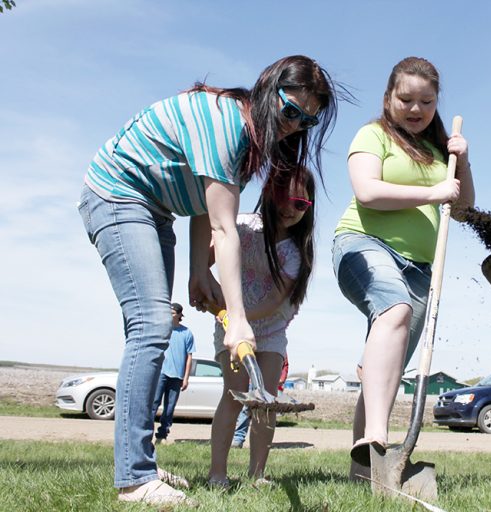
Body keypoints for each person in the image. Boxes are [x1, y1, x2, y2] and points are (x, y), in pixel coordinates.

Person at [78, 55, 340, 505]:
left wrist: (200, 271)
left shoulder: (247, 146)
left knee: (150, 329)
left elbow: (202, 208)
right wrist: (237, 318)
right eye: (290, 111)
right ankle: (134, 477)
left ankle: (137, 461)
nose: (295, 126)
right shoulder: (228, 127)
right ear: (266, 89)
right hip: (119, 196)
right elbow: (223, 228)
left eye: (308, 121)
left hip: (156, 210)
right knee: (152, 325)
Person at [332, 56, 475, 467]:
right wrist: (434, 193)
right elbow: (368, 192)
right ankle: (379, 438)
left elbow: (463, 208)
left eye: (426, 102)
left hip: (420, 268)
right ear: (388, 98)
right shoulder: (373, 134)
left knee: (387, 365)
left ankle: (366, 471)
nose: (416, 109)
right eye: (406, 99)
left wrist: (461, 161)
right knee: (394, 309)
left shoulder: (438, 151)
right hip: (363, 244)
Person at [207, 171, 315, 487]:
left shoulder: (295, 253)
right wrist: (215, 299)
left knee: (265, 403)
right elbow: (206, 262)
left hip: (270, 329)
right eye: (283, 196)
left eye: (299, 203)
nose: (289, 208)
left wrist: (243, 317)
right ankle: (218, 473)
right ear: (268, 192)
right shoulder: (241, 227)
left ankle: (258, 474)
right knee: (233, 395)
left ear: (308, 208)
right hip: (230, 328)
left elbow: (272, 302)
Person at [151, 303, 196, 443]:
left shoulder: (187, 333)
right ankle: (145, 435)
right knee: (153, 404)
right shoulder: (162, 329)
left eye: (172, 312)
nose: (169, 314)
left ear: (179, 314)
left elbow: (189, 357)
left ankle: (162, 435)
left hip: (177, 376)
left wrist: (186, 378)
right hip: (161, 373)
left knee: (169, 408)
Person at [231, 355, 290, 448]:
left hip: (268, 383)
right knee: (245, 410)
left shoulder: (277, 343)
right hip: (251, 381)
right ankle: (238, 439)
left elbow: (285, 363)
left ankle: (262, 441)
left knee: (265, 412)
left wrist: (282, 378)